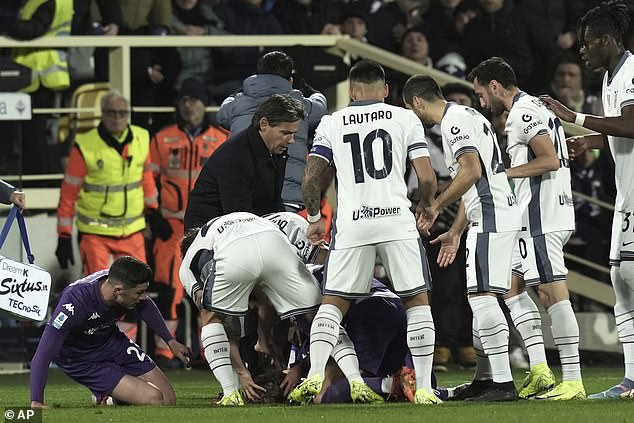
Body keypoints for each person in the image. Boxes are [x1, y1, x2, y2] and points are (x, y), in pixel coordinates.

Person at [290, 60, 439, 405]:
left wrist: (314, 217)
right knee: (417, 302)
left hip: (353, 222)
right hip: (396, 220)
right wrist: (427, 203)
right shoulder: (405, 118)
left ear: (352, 91)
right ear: (385, 91)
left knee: (333, 304)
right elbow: (427, 177)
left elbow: (312, 178)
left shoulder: (332, 121)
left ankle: (314, 375)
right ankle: (426, 390)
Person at [470, 56, 586, 400]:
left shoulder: (523, 112)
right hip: (535, 214)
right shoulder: (536, 107)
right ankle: (539, 369)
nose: (481, 102)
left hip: (541, 215)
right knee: (511, 285)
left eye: (480, 94)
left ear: (494, 86)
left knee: (552, 293)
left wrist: (504, 174)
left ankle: (574, 380)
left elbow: (548, 158)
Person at [403, 74, 522, 401]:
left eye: (411, 111)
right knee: (479, 296)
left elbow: (471, 172)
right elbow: (471, 181)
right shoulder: (467, 115)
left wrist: (435, 205)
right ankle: (484, 379)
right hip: (488, 214)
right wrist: (455, 231)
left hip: (492, 216)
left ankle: (502, 383)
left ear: (416, 102)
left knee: (482, 298)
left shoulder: (452, 124)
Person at [540, 0, 634, 400]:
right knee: (621, 280)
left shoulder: (631, 71)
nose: (581, 51)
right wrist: (592, 140)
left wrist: (572, 117)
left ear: (607, 41)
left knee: (628, 279)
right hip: (626, 196)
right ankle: (631, 380)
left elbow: (632, 124)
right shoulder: (610, 76)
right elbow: (620, 132)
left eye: (587, 44)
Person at [179, 212, 325, 406]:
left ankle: (230, 393)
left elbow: (215, 320)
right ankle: (343, 375)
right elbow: (266, 300)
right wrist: (265, 340)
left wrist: (242, 373)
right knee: (322, 311)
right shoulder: (244, 223)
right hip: (277, 244)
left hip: (239, 254)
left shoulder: (190, 264)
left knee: (212, 317)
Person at [29, 256, 191, 409]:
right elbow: (43, 354)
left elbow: (146, 306)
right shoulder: (74, 302)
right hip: (81, 359)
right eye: (139, 293)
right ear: (118, 291)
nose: (143, 297)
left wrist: (171, 341)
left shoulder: (120, 284)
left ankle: (113, 396)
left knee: (169, 399)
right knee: (155, 399)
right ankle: (107, 395)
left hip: (112, 343)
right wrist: (36, 401)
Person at [148, 77, 228, 365]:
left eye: (193, 100)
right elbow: (148, 179)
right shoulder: (162, 137)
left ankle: (211, 354)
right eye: (184, 100)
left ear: (202, 103)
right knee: (169, 293)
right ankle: (165, 353)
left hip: (207, 229)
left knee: (207, 292)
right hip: (170, 229)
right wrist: (152, 214)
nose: (188, 105)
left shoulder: (220, 139)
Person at [55, 91, 158, 276]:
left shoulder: (142, 138)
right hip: (95, 233)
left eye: (122, 112)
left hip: (132, 231)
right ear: (102, 113)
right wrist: (64, 234)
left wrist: (153, 211)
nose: (117, 117)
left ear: (129, 114)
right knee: (97, 292)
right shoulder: (85, 145)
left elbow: (146, 178)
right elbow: (69, 193)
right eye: (112, 112)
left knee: (136, 289)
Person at [217, 51, 327, 210]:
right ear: (290, 81)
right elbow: (320, 109)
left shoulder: (238, 104)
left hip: (244, 199)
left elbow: (222, 115)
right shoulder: (299, 103)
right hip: (287, 200)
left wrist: (235, 94)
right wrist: (315, 94)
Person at [184, 94, 305, 230]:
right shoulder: (235, 157)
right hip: (207, 234)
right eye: (285, 133)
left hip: (237, 227)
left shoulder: (275, 149)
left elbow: (274, 204)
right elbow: (239, 218)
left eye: (294, 134)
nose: (291, 140)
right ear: (264, 124)